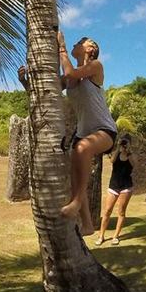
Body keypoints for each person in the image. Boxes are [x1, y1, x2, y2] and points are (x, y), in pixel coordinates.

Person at [57, 31, 117, 235]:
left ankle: (76, 201)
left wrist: (62, 48)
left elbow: (72, 73)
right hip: (83, 133)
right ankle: (88, 225)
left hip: (105, 130)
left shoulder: (95, 67)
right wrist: (26, 80)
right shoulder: (71, 77)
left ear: (91, 49)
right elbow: (55, 85)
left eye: (82, 42)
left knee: (82, 148)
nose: (77, 43)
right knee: (74, 173)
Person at [95, 133, 135, 246]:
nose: (124, 143)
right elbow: (112, 161)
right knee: (107, 210)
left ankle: (116, 236)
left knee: (121, 211)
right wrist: (118, 148)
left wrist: (128, 151)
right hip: (113, 186)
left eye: (125, 142)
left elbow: (134, 164)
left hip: (126, 187)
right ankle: (101, 236)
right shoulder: (116, 153)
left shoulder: (131, 155)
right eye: (123, 141)